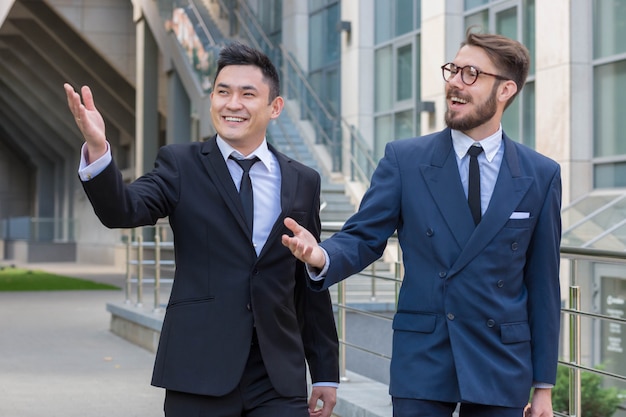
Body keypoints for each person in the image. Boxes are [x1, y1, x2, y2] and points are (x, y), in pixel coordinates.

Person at [282, 30, 561, 417]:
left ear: (506, 90)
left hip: (500, 360)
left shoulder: (540, 174)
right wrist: (322, 256)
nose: (454, 83)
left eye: (471, 74)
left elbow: (543, 283)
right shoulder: (405, 159)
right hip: (425, 355)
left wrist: (543, 386)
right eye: (453, 70)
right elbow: (364, 237)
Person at [64, 41, 339, 417]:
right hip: (199, 369)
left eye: (247, 94)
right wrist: (98, 151)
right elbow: (123, 210)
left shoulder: (303, 180)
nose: (232, 104)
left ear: (274, 107)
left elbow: (309, 282)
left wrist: (325, 372)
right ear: (211, 99)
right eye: (223, 92)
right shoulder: (180, 164)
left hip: (277, 376)